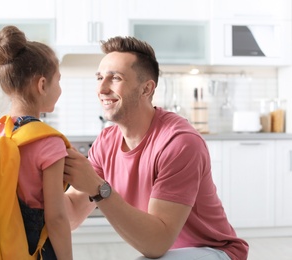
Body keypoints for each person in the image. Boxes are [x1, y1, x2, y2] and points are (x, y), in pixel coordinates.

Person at [63, 36, 249, 260]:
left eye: (115, 78)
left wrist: (98, 188)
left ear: (146, 89)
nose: (101, 88)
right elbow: (72, 213)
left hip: (214, 251)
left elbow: (156, 244)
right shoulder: (106, 141)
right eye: (100, 77)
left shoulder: (179, 142)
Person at [0, 25, 72, 260]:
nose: (60, 89)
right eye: (58, 81)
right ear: (42, 85)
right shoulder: (49, 142)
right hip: (34, 249)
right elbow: (56, 219)